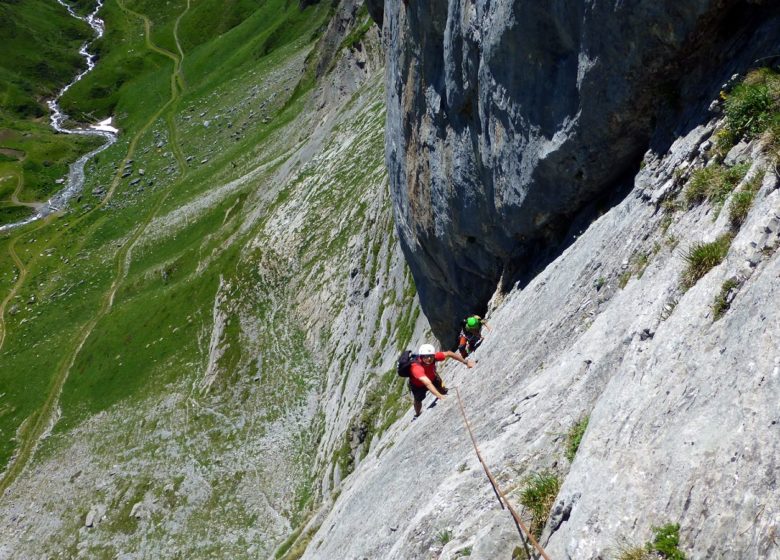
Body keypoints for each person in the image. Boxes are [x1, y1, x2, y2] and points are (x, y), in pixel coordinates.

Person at [409, 343, 474, 417]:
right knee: (418, 400)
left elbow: (449, 353)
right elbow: (427, 383)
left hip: (432, 378)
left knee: (443, 391)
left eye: (431, 356)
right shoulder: (415, 367)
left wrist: (466, 362)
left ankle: (440, 391)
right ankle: (417, 414)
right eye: (426, 357)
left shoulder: (434, 357)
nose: (429, 359)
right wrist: (440, 397)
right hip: (418, 384)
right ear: (421, 357)